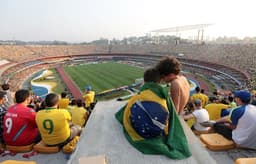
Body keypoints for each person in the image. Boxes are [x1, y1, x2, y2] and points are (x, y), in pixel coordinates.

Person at [115, 68, 191, 159]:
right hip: (158, 132)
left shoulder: (136, 97)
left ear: (144, 81)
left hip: (139, 133)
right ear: (159, 82)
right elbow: (172, 118)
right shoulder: (165, 98)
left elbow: (125, 115)